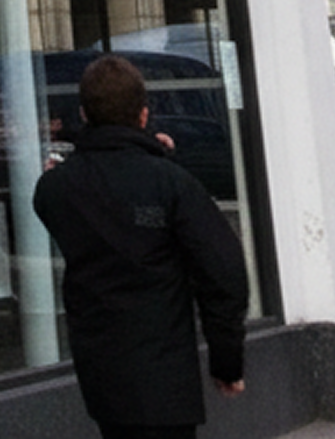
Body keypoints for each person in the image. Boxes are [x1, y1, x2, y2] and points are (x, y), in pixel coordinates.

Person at [33, 54, 247, 439]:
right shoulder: (170, 182)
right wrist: (226, 358)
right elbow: (223, 269)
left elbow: (62, 199)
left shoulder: (57, 186)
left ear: (84, 113)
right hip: (165, 369)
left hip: (101, 370)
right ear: (144, 115)